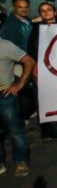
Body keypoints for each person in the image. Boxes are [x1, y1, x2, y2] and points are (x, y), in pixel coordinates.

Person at [27, 2, 57, 142]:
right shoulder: (36, 29)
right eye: (42, 11)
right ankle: (48, 130)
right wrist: (35, 66)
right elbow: (32, 49)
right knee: (46, 100)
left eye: (49, 10)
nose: (46, 13)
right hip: (44, 69)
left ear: (55, 12)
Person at [0, 32, 35, 177]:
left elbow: (29, 61)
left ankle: (21, 161)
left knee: (15, 131)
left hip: (5, 95)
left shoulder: (5, 45)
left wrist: (19, 85)